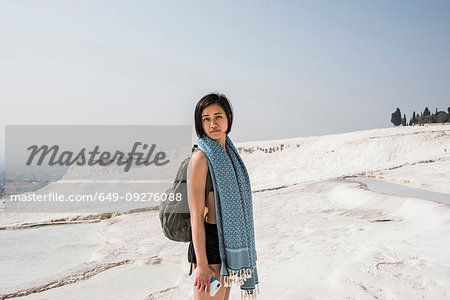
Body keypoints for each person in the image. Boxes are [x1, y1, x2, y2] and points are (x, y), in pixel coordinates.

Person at [187, 93, 259, 300]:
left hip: (228, 244)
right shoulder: (201, 158)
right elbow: (196, 216)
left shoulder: (230, 154)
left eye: (218, 117)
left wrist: (248, 246)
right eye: (206, 119)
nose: (212, 124)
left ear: (228, 117)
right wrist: (201, 264)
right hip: (209, 245)